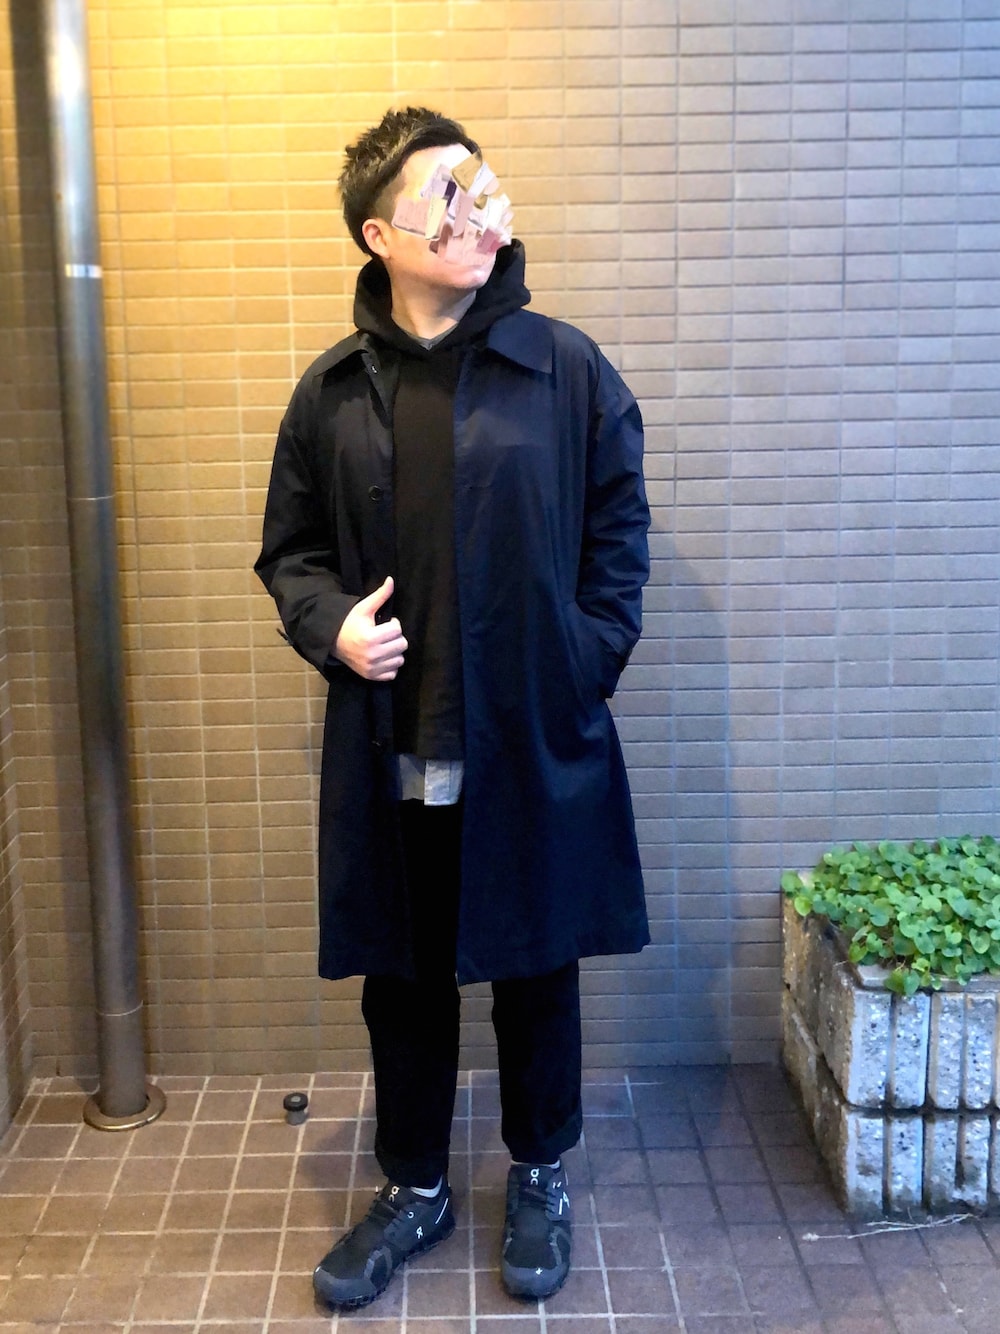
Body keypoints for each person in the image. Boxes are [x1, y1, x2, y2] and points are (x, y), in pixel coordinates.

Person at [255, 106, 650, 1312]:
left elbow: (618, 530)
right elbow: (290, 552)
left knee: (537, 967)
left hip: (530, 736)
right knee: (406, 979)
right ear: (381, 235)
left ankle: (539, 1173)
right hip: (397, 751)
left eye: (477, 185)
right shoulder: (331, 394)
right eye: (444, 192)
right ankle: (416, 1182)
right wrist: (332, 626)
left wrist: (584, 655)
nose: (475, 210)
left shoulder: (562, 369)